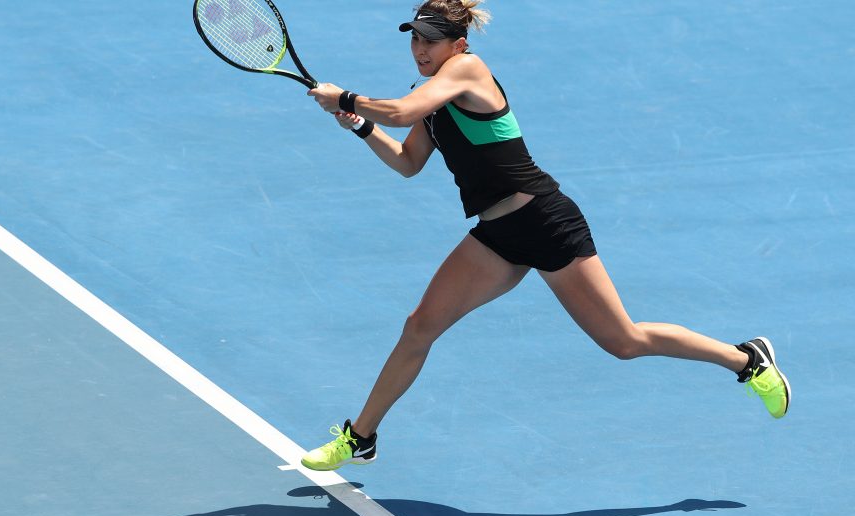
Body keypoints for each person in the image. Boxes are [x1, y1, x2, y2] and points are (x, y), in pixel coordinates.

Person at [300, 0, 791, 472]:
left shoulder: (467, 71)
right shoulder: (428, 95)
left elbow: (403, 111)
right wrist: (361, 125)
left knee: (624, 341)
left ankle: (746, 360)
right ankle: (361, 437)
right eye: (416, 40)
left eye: (432, 41)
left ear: (459, 44)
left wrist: (345, 96)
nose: (421, 50)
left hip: (546, 222)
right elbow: (408, 163)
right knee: (419, 326)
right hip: (498, 234)